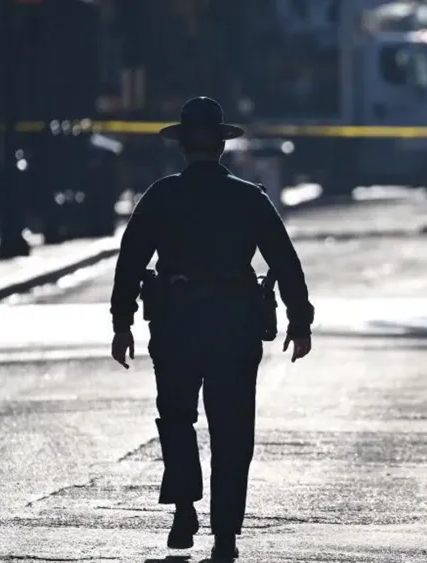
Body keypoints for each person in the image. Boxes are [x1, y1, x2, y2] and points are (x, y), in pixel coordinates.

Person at [109, 97, 314, 560]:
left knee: (177, 419)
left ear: (181, 148)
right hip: (234, 326)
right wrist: (300, 320)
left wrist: (122, 324)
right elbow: (284, 260)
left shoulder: (160, 196)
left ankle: (184, 507)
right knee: (232, 429)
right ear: (221, 147)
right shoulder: (248, 197)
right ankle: (225, 534)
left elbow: (130, 262)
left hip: (176, 324)